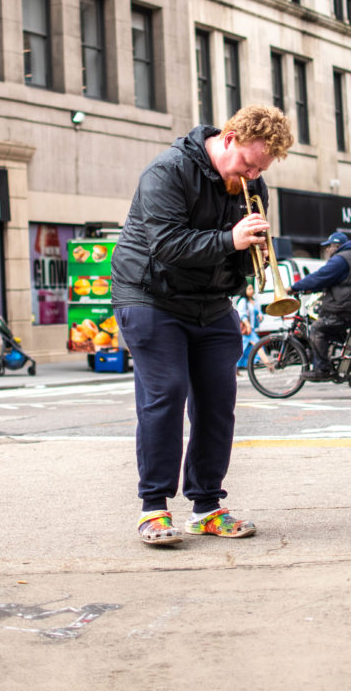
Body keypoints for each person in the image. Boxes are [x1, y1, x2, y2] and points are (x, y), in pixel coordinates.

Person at [111, 104, 294, 546]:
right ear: (228, 138)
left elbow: (238, 256)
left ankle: (207, 506)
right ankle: (153, 508)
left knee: (218, 402)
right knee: (167, 394)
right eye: (249, 164)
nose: (252, 176)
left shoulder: (251, 184)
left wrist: (256, 261)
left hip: (209, 303)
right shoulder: (167, 172)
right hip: (151, 296)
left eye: (261, 169)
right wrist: (231, 239)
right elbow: (168, 244)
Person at [288, 231, 351, 381]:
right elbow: (332, 281)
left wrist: (295, 287)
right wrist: (308, 288)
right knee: (332, 331)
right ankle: (349, 363)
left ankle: (322, 369)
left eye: (328, 246)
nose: (326, 250)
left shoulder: (340, 260)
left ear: (336, 246)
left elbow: (320, 276)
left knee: (317, 329)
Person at [236, 283, 263, 369]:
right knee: (258, 346)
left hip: (252, 329)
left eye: (252, 288)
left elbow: (258, 313)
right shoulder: (243, 301)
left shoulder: (254, 302)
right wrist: (247, 325)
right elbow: (241, 314)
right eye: (249, 289)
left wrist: (260, 316)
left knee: (245, 349)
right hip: (247, 330)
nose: (252, 291)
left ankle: (241, 364)